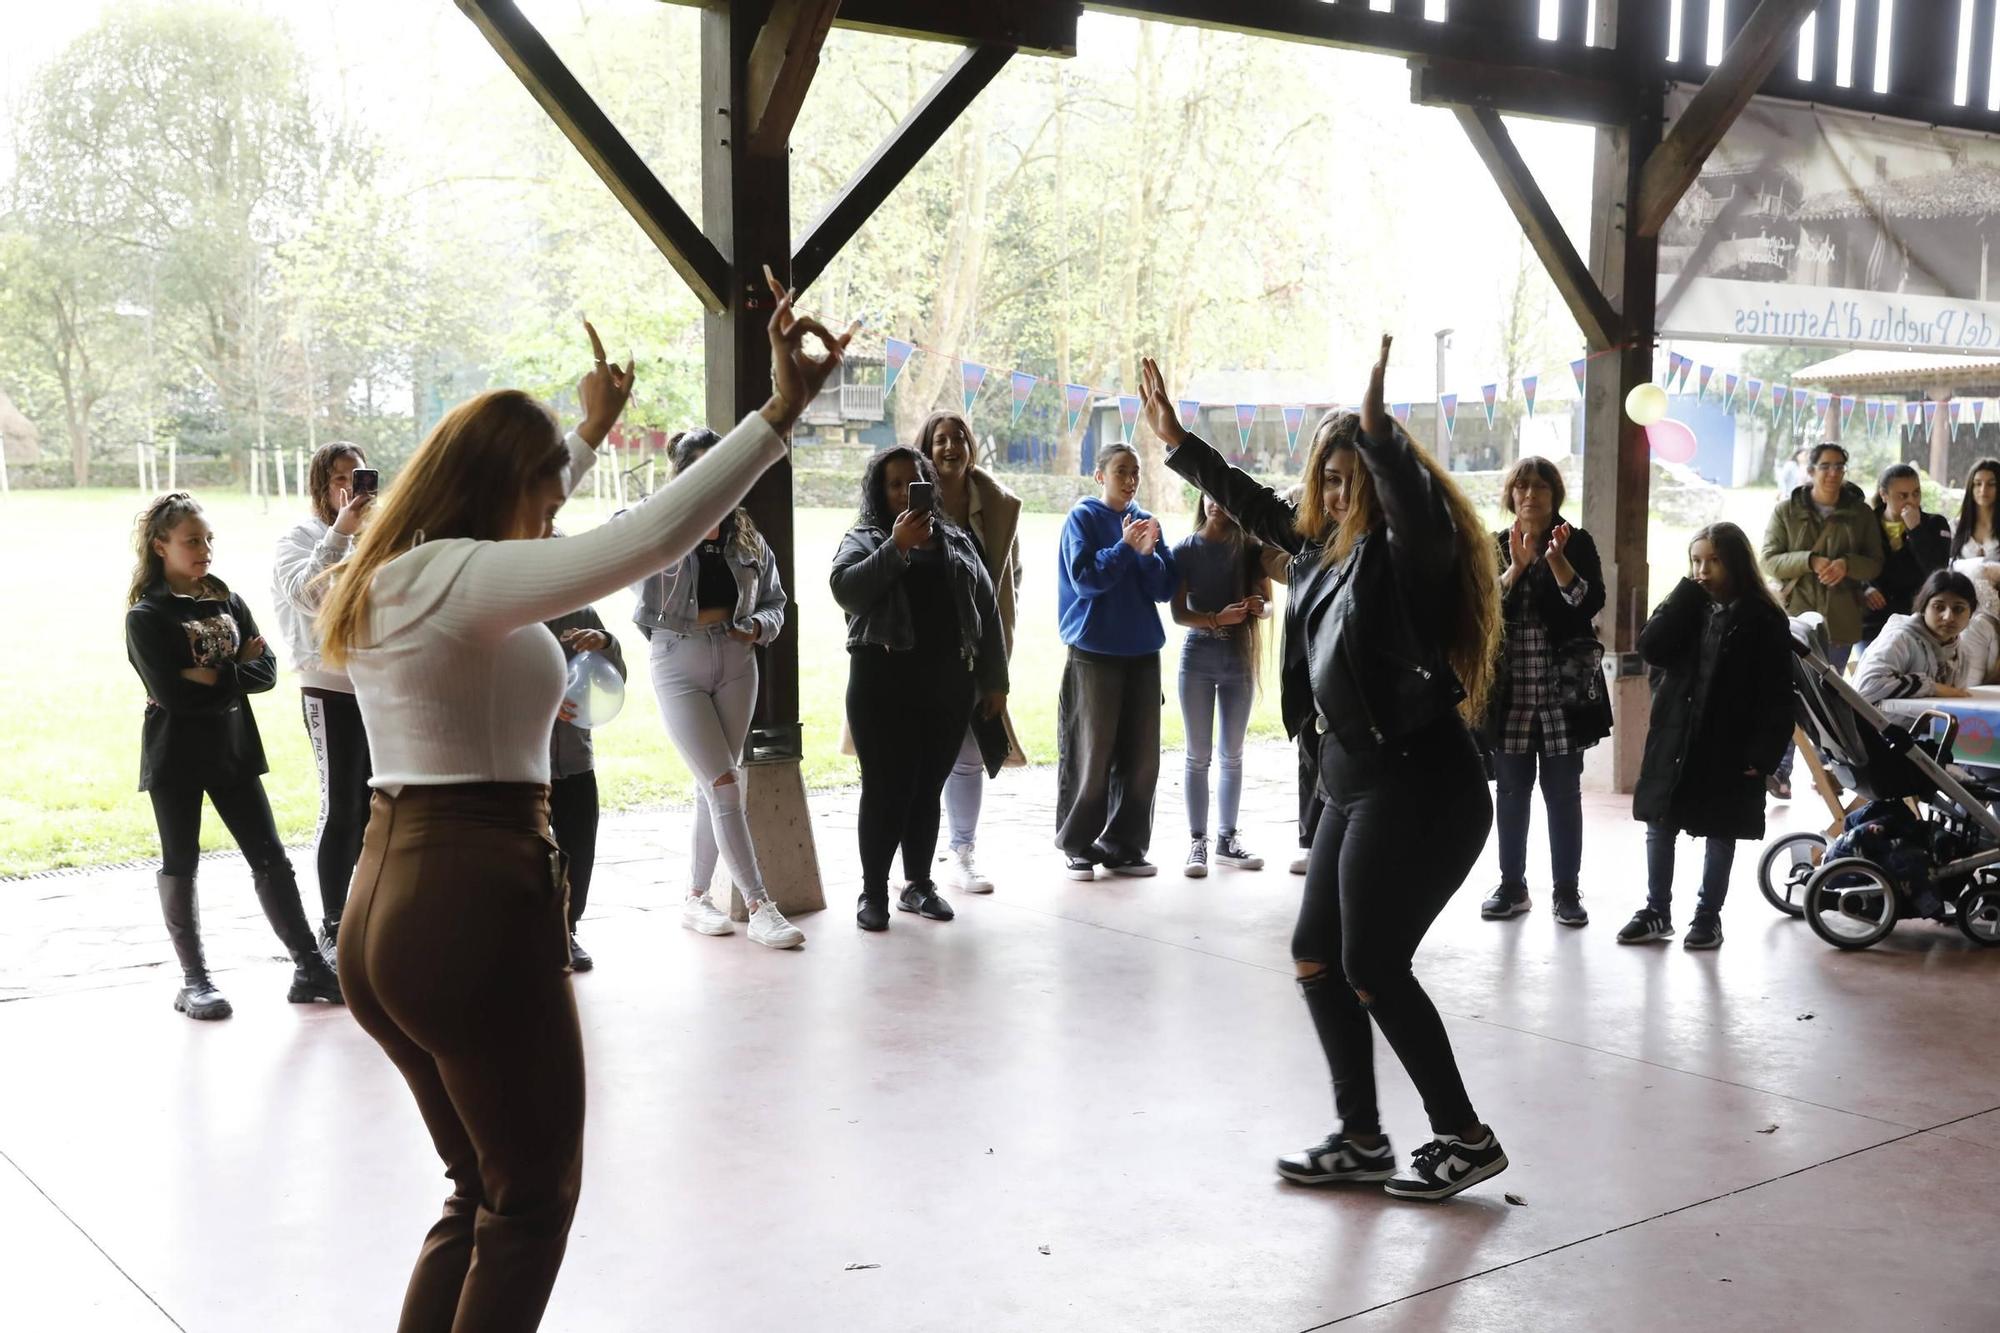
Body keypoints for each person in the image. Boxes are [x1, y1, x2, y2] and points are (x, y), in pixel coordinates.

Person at [317, 286, 849, 1332]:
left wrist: (590, 428)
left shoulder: (391, 571)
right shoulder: (465, 578)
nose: (558, 516)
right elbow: (645, 541)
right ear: (504, 488)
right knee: (531, 1205)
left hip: (383, 901)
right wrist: (776, 416)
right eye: (547, 493)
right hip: (469, 894)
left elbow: (542, 533)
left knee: (481, 1191)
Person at [1143, 338, 1511, 1202]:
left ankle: (1465, 1138)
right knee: (1318, 952)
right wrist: (1178, 443)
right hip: (1353, 782)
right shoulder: (1320, 553)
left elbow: (1417, 510)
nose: (1341, 493)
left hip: (1422, 783)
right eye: (1333, 479)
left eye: (1357, 478)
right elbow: (1258, 506)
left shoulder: (1406, 557)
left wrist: (1383, 439)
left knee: (1374, 960)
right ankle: (1361, 1138)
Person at [126, 492, 344, 1021]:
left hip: (233, 748)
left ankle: (309, 967)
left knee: (270, 855)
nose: (205, 550)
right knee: (182, 860)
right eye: (192, 541)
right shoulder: (146, 616)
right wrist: (232, 671)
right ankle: (194, 982)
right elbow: (174, 696)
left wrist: (209, 675)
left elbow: (267, 671)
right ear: (161, 546)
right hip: (175, 755)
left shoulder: (228, 599)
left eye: (208, 540)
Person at [631, 427, 804, 951]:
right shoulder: (656, 520)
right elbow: (617, 540)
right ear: (680, 476)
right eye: (698, 471)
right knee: (725, 783)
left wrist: (757, 627)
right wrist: (679, 517)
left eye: (720, 469)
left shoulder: (746, 533)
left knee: (717, 784)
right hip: (677, 658)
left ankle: (695, 896)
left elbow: (776, 601)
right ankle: (758, 905)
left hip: (736, 659)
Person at [831, 446, 1009, 931]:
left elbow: (988, 612)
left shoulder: (957, 540)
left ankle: (918, 884)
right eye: (894, 483)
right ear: (881, 491)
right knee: (885, 789)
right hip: (881, 686)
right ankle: (873, 891)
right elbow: (845, 589)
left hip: (947, 686)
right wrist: (897, 548)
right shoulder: (866, 538)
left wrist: (995, 681)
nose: (905, 490)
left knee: (927, 789)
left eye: (914, 480)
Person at [1621, 523, 1794, 951]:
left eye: (1713, 560)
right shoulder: (1686, 607)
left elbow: (1776, 693)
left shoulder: (1763, 617)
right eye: (1696, 560)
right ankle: (1656, 909)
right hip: (1676, 736)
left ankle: (1707, 916)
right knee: (1660, 824)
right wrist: (1684, 594)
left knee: (1721, 829)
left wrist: (1764, 752)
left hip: (1729, 743)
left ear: (1735, 562)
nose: (1703, 569)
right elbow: (1651, 647)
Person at [1479, 457, 1610, 927]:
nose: (1529, 495)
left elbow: (1587, 603)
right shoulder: (1497, 545)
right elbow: (1482, 610)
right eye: (1521, 487)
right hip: (1511, 693)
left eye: (1539, 487)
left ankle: (1566, 891)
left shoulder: (1576, 542)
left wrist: (1555, 560)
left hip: (1563, 693)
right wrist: (1515, 569)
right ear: (1511, 494)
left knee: (1563, 793)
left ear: (1554, 495)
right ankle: (1512, 886)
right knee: (1511, 791)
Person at [1054, 441, 1178, 879]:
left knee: (1143, 759)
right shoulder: (1083, 518)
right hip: (1095, 653)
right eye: (1122, 471)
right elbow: (1086, 580)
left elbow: (1164, 590)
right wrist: (1125, 549)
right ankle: (1077, 843)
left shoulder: (1146, 522)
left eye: (1136, 472)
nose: (1130, 480)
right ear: (1100, 475)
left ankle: (1124, 845)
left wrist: (1145, 556)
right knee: (1092, 754)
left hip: (1143, 651)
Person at [273, 441, 375, 963]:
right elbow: (308, 593)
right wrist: (342, 531)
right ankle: (333, 925)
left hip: (380, 685)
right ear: (319, 485)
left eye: (358, 477)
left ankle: (370, 914)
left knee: (379, 806)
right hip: (328, 684)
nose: (350, 487)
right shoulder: (301, 536)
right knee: (341, 806)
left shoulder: (375, 538)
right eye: (340, 478)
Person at [916, 410, 1025, 895]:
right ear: (927, 447)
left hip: (977, 648)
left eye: (959, 438)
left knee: (969, 753)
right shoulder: (904, 493)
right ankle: (915, 865)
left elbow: (1012, 574)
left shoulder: (997, 507)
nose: (950, 447)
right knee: (917, 758)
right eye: (940, 440)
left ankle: (963, 853)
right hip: (917, 651)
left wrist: (999, 638)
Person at [1761, 441, 1884, 798]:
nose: (1833, 473)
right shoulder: (1786, 511)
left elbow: (1875, 561)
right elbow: (1769, 558)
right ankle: (1782, 771)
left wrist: (1847, 565)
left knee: (1827, 704)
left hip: (1840, 621)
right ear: (1811, 471)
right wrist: (1810, 561)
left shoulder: (1860, 514)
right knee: (1786, 696)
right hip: (1794, 620)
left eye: (1840, 466)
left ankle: (1831, 771)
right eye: (1826, 466)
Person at [1170, 494, 1272, 877]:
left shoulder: (1250, 548)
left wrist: (1260, 608)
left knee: (1233, 753)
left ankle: (1228, 838)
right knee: (1198, 755)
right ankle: (1198, 841)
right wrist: (1216, 618)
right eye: (1209, 495)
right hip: (1197, 657)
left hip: (1239, 658)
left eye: (1223, 496)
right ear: (1200, 497)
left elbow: (1269, 603)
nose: (1216, 503)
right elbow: (1179, 613)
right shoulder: (1186, 549)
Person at [544, 601, 625, 971]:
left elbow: (616, 674)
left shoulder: (582, 611)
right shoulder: (508, 610)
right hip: (526, 761)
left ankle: (566, 929)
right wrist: (543, 701)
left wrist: (606, 642)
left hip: (576, 757)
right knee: (531, 852)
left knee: (578, 847)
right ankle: (532, 931)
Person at [1858, 462, 1950, 657]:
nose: (1911, 501)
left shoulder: (1934, 524)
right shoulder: (1866, 524)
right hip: (1873, 621)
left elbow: (1937, 572)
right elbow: (1853, 565)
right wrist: (1865, 588)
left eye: (1916, 493)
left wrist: (1916, 531)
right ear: (1884, 495)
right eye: (1903, 496)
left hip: (1917, 621)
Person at [1853, 569, 1976, 704]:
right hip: (1880, 723)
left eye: (1958, 609)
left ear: (1971, 613)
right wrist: (1932, 687)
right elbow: (1865, 688)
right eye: (1939, 607)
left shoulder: (1962, 652)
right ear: (1923, 607)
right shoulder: (1900, 639)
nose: (1948, 617)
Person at [1950, 457, 2000, 685]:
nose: (1983, 490)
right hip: (1961, 610)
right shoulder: (1956, 527)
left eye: (1991, 483)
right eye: (1978, 483)